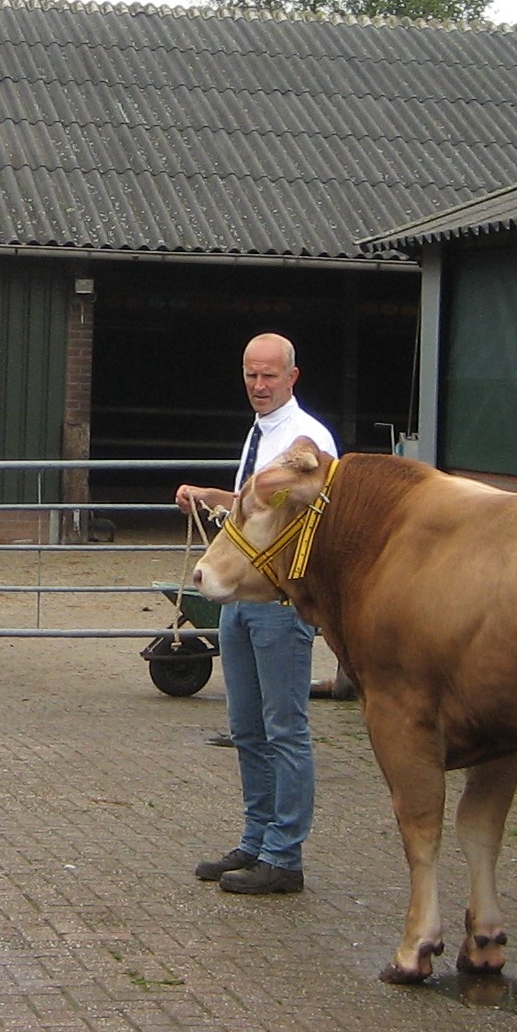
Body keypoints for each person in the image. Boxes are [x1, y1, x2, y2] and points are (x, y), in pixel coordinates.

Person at [174, 333, 338, 896]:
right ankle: (256, 839)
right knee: (247, 727)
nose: (259, 385)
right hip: (242, 597)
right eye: (251, 374)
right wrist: (210, 497)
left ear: (292, 377)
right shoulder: (261, 431)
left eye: (269, 375)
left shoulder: (308, 441)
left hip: (279, 602)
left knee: (284, 728)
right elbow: (257, 515)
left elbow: (303, 523)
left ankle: (283, 855)